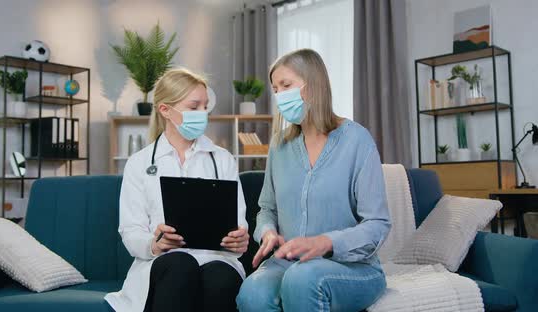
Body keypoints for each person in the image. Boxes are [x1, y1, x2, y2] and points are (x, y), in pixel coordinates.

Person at [236, 49, 391, 312]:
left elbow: (377, 224)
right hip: (286, 262)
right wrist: (267, 232)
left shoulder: (356, 141)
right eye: (275, 88)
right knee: (252, 293)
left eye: (286, 85)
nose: (279, 95)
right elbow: (267, 209)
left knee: (302, 278)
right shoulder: (279, 145)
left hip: (350, 266)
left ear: (313, 85)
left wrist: (326, 242)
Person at [105, 68, 249, 312]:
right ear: (165, 110)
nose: (202, 114)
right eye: (194, 107)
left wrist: (239, 240)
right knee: (181, 264)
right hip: (164, 262)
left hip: (216, 259)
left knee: (220, 276)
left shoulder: (222, 159)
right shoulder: (140, 163)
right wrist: (155, 243)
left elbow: (238, 224)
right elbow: (130, 231)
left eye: (205, 107)